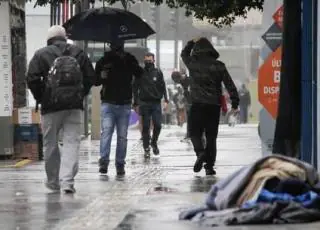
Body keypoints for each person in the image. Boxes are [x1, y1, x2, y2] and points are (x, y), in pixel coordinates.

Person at [26, 25, 95, 193]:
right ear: (65, 38)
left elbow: (32, 78)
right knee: (72, 142)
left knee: (50, 144)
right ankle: (67, 182)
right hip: (74, 106)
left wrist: (42, 97)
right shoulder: (78, 53)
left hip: (50, 107)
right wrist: (79, 94)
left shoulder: (41, 54)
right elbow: (90, 77)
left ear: (49, 39)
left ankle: (53, 181)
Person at [181, 37, 239, 175]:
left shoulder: (192, 63)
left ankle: (200, 153)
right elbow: (229, 84)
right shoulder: (219, 65)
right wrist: (235, 102)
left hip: (197, 105)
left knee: (194, 132)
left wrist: (190, 42)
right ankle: (209, 167)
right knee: (211, 137)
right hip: (213, 106)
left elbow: (184, 54)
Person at [95, 40, 143, 175]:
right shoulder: (104, 60)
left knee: (120, 135)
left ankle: (119, 164)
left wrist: (128, 62)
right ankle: (105, 162)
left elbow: (139, 73)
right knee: (108, 133)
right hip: (109, 102)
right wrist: (102, 76)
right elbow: (95, 80)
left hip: (123, 103)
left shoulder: (128, 58)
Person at [133, 52, 168, 158]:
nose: (148, 62)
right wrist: (135, 103)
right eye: (146, 60)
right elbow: (135, 88)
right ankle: (146, 147)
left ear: (154, 60)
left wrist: (166, 99)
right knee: (146, 126)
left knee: (158, 125)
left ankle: (154, 141)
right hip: (144, 102)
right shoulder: (140, 73)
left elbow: (163, 86)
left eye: (150, 60)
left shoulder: (158, 72)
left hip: (156, 102)